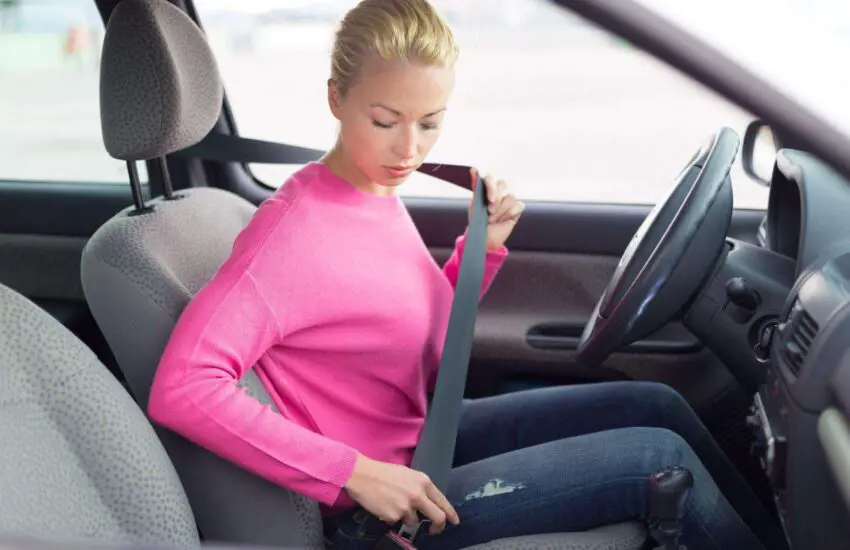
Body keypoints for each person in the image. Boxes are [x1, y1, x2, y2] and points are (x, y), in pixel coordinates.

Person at [147, 1, 786, 549]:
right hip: (383, 507)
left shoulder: (373, 191)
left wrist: (485, 247)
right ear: (336, 98)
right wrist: (354, 472)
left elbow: (420, 334)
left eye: (430, 122)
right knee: (658, 460)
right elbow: (183, 385)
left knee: (657, 405)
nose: (409, 149)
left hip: (427, 436)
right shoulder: (290, 234)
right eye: (384, 120)